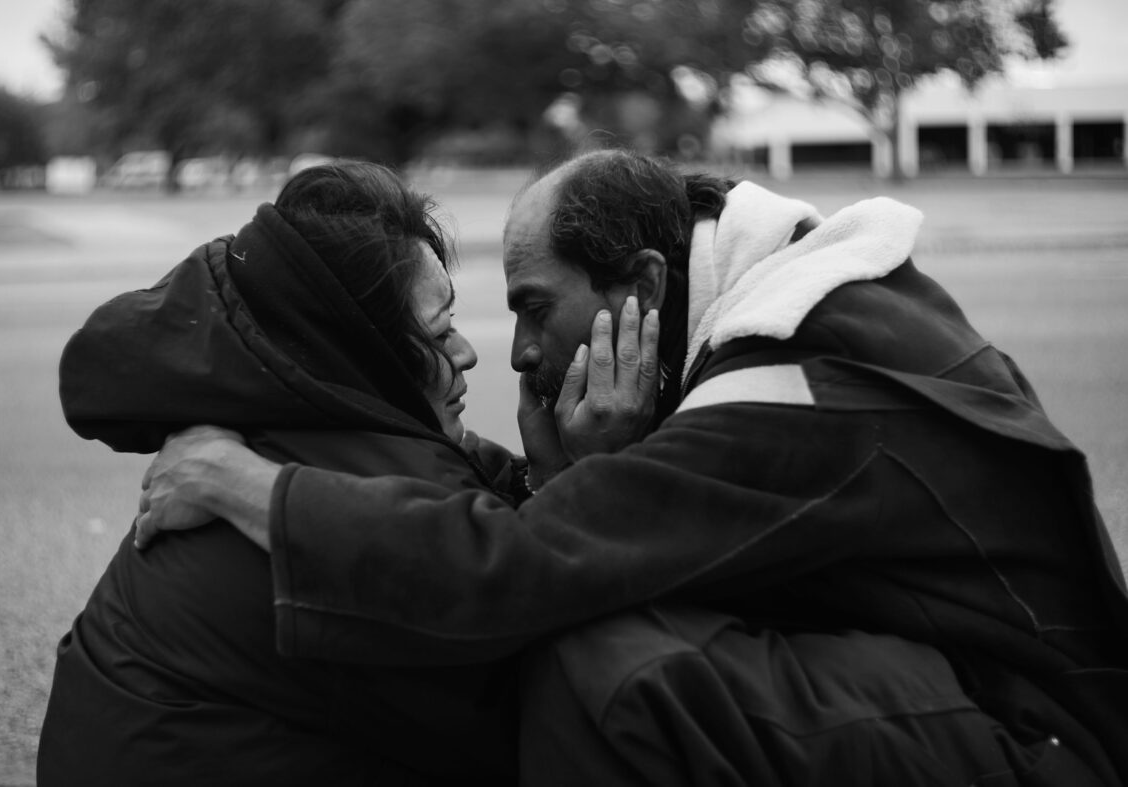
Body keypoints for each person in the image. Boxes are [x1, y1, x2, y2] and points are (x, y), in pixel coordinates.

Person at [135, 149, 1128, 786]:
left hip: (1039, 741)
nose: (518, 351)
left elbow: (517, 567)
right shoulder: (803, 305)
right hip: (959, 687)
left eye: (535, 304)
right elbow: (601, 533)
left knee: (607, 669)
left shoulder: (790, 383)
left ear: (644, 286)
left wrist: (246, 484)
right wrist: (584, 471)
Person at [38, 161, 557, 785]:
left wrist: (546, 470)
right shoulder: (373, 483)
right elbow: (520, 718)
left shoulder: (286, 427)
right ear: (360, 350)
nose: (468, 353)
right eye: (442, 330)